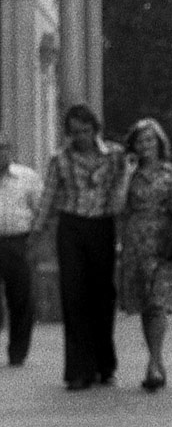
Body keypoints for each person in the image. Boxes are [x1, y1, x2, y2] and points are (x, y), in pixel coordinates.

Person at [31, 103, 130, 390]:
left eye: (86, 131)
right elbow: (49, 195)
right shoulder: (59, 159)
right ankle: (78, 369)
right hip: (71, 226)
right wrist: (36, 231)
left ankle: (104, 364)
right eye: (75, 132)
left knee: (102, 295)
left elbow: (122, 190)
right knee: (74, 295)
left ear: (95, 129)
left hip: (102, 225)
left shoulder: (114, 155)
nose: (81, 137)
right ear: (69, 133)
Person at [119, 117, 172, 391]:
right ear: (134, 146)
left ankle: (154, 362)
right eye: (140, 141)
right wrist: (127, 175)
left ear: (160, 143)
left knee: (157, 301)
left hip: (166, 242)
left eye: (150, 140)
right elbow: (118, 206)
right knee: (145, 302)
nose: (145, 145)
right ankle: (155, 359)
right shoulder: (129, 174)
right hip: (137, 242)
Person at [0, 134, 43, 367]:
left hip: (18, 242)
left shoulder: (27, 177)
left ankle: (17, 351)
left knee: (21, 298)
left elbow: (40, 210)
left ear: (10, 150)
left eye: (3, 148)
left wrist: (35, 242)